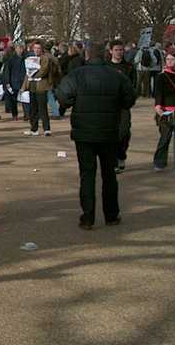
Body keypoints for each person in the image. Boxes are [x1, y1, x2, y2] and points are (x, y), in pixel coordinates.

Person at [56, 42, 136, 230]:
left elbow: (63, 97)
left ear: (87, 55)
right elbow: (129, 99)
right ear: (105, 55)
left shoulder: (76, 75)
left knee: (87, 175)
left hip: (84, 132)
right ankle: (111, 215)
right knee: (109, 175)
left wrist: (72, 102)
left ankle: (88, 217)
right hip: (109, 130)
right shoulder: (116, 75)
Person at [107, 40, 136, 174]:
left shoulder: (129, 67)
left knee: (124, 132)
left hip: (124, 105)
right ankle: (113, 160)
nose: (119, 52)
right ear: (111, 51)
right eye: (116, 50)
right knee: (111, 133)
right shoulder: (106, 67)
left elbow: (134, 86)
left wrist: (130, 100)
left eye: (121, 50)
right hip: (108, 106)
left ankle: (121, 155)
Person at [21, 40, 54, 136]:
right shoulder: (30, 58)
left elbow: (43, 71)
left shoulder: (45, 58)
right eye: (35, 48)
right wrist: (24, 86)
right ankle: (34, 129)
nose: (36, 50)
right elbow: (27, 73)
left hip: (42, 87)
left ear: (42, 49)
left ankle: (46, 129)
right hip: (32, 86)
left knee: (42, 109)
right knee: (33, 109)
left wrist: (33, 74)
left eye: (38, 48)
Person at [0, 44, 25, 120]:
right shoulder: (11, 59)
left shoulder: (25, 58)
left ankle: (27, 115)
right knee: (14, 100)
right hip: (14, 82)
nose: (20, 50)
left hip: (23, 81)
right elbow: (7, 72)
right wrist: (8, 83)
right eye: (18, 49)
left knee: (25, 99)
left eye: (21, 49)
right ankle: (15, 115)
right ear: (16, 49)